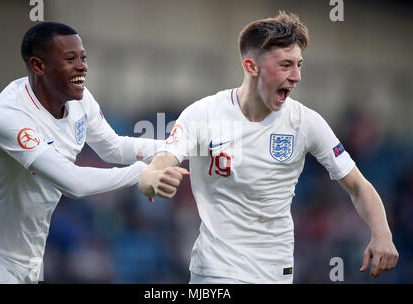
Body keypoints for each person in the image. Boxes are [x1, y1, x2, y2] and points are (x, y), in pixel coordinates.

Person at [138, 11, 399, 283]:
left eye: (299, 64)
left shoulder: (305, 122)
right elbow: (160, 163)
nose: (297, 76)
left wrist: (382, 234)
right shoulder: (204, 114)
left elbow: (358, 185)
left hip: (277, 272)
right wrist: (149, 179)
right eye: (286, 65)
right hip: (216, 271)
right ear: (251, 67)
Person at [0, 21, 162, 283]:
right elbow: (73, 183)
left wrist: (178, 146)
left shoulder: (80, 100)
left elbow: (113, 148)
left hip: (30, 262)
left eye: (83, 58)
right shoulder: (11, 116)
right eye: (70, 59)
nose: (82, 66)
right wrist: (141, 173)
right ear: (38, 66)